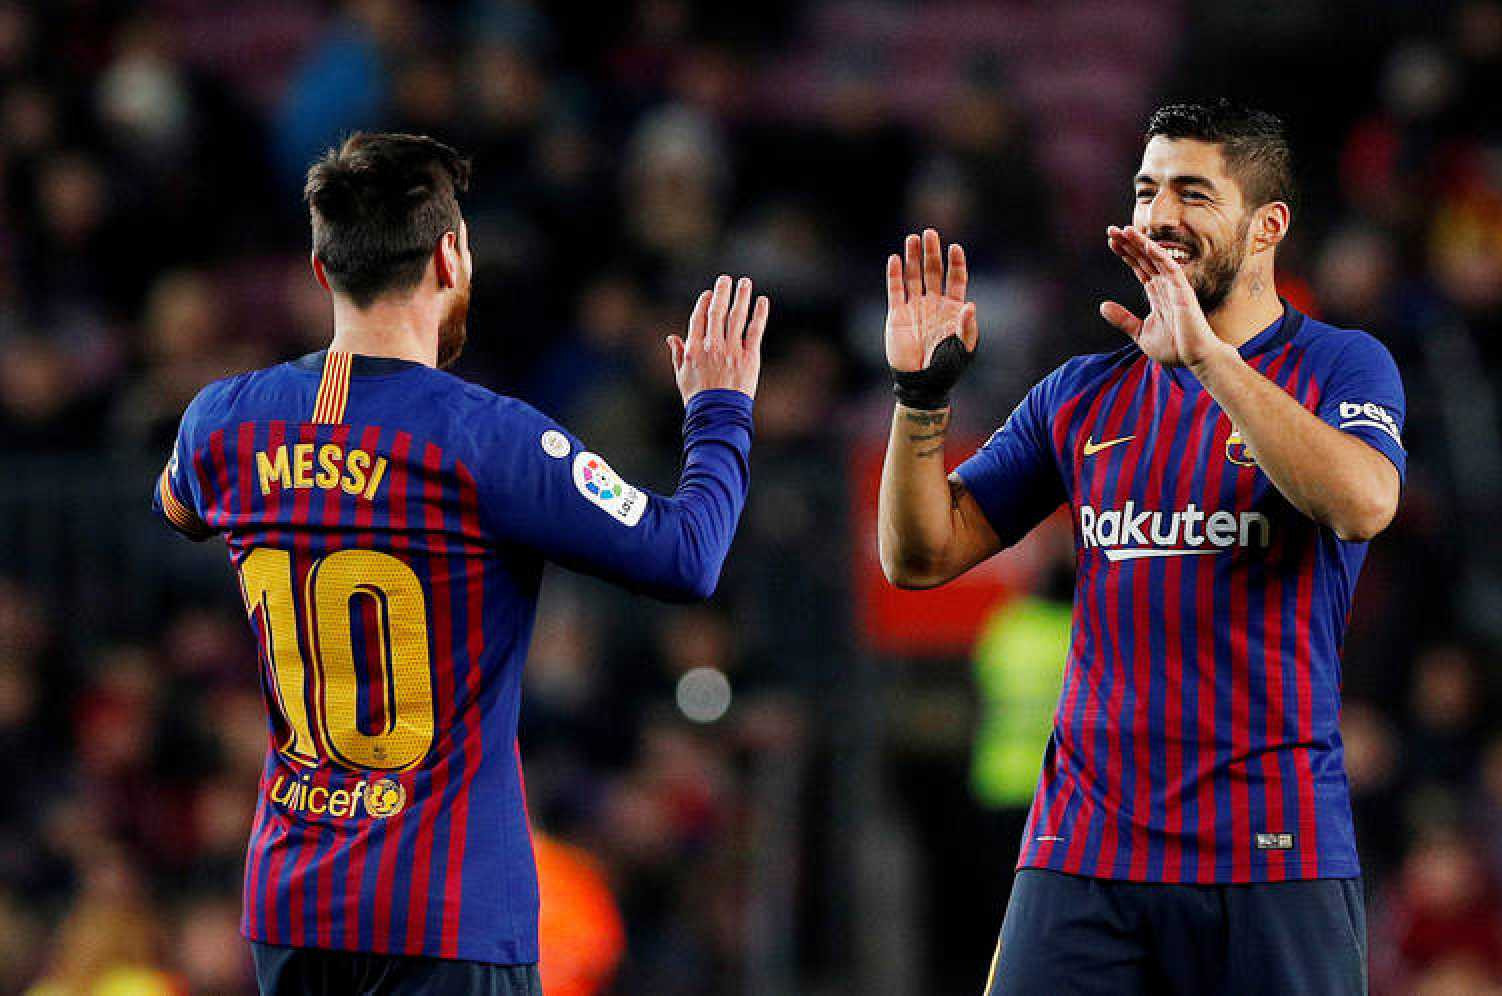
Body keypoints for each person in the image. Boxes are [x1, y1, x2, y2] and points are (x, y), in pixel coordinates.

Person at [152, 132, 769, 996]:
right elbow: (687, 555)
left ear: (324, 269)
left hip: (292, 903)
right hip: (445, 910)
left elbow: (176, 506)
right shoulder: (487, 439)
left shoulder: (222, 421)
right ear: (451, 255)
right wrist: (720, 413)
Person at [877, 99, 1405, 994]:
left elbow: (1361, 505)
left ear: (1267, 224)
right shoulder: (1080, 393)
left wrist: (1209, 362)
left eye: (1193, 193)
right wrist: (921, 399)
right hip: (1084, 845)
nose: (1159, 215)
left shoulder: (1341, 365)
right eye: (1147, 189)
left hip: (1271, 848)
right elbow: (920, 556)